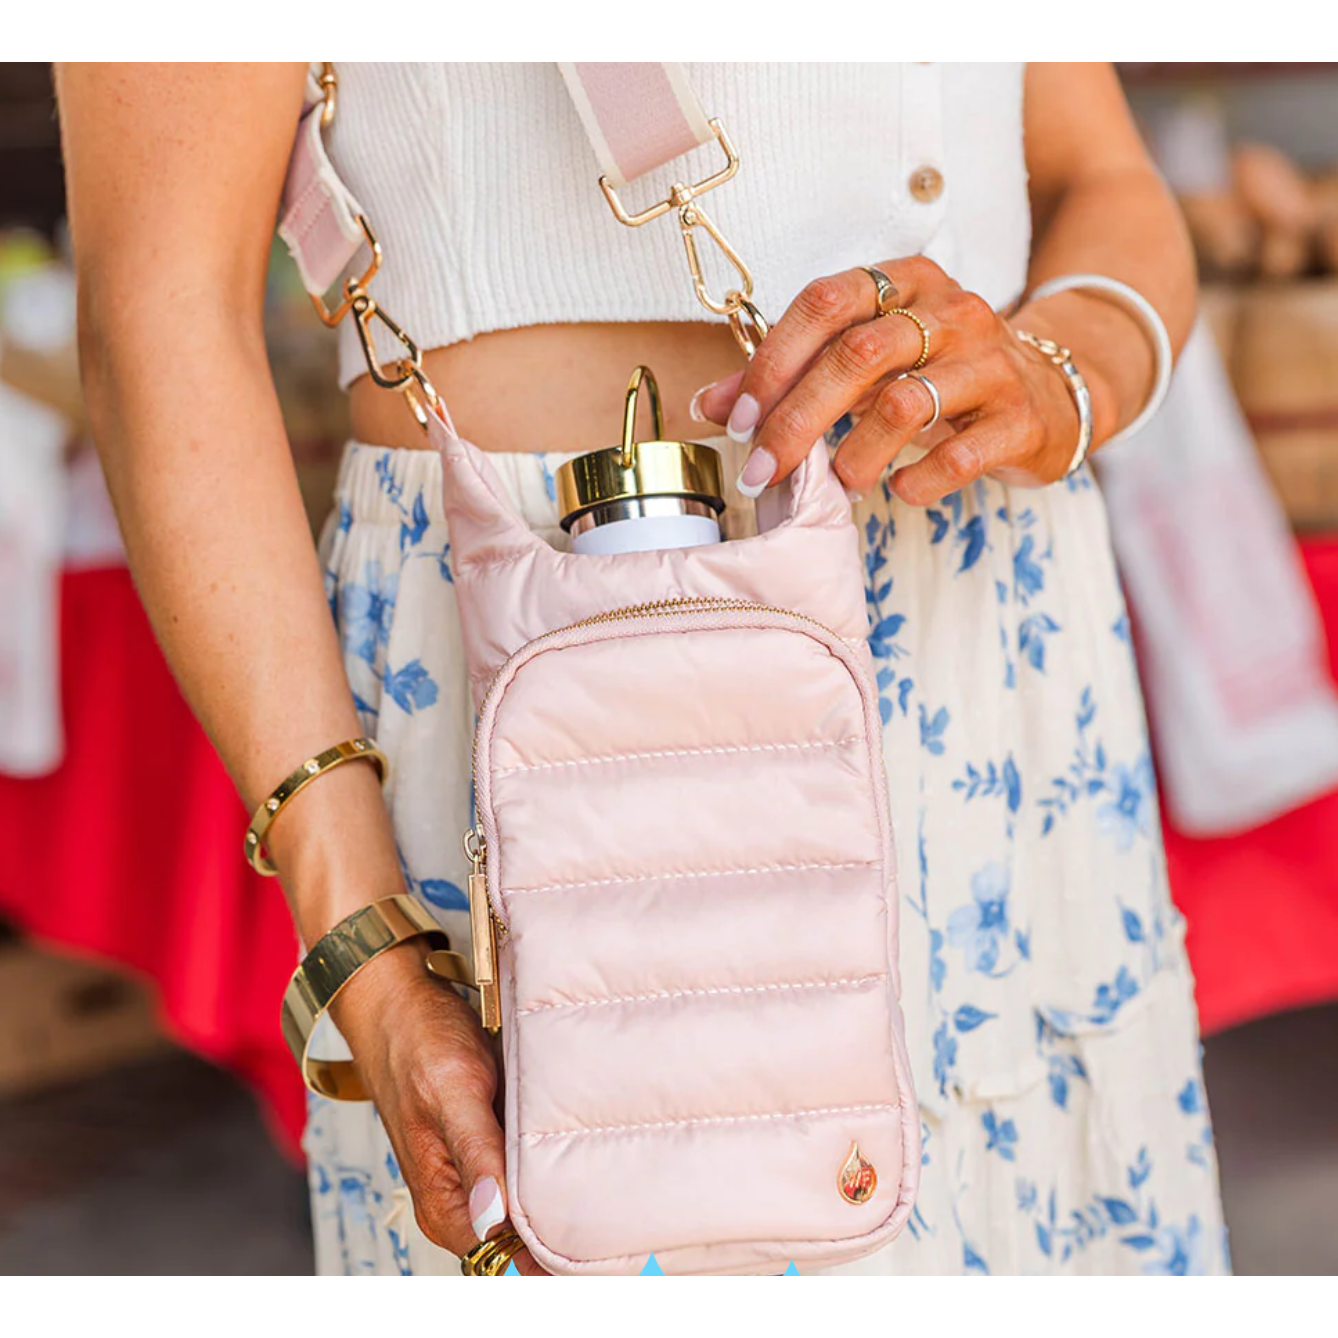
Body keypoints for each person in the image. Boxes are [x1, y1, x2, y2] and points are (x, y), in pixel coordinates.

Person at [56, 61, 1228, 1275]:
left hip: (996, 674)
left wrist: (1061, 374)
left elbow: (1108, 182)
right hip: (545, 668)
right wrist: (365, 947)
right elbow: (160, 307)